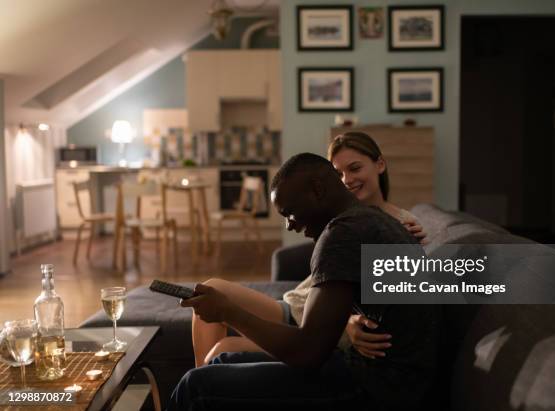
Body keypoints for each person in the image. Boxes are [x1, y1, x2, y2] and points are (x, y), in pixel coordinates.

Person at [168, 153, 441, 410]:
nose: (289, 226)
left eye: (289, 213)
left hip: (377, 389)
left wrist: (226, 312)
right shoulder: (371, 220)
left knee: (196, 387)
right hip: (382, 374)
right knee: (221, 360)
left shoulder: (342, 234)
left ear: (318, 190)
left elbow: (307, 352)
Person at [191, 132, 426, 366]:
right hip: (298, 307)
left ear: (380, 164)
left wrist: (349, 321)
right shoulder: (338, 220)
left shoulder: (401, 226)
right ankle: (199, 377)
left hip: (320, 327)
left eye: (355, 169)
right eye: (339, 174)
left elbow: (404, 298)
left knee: (223, 351)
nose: (347, 180)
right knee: (209, 290)